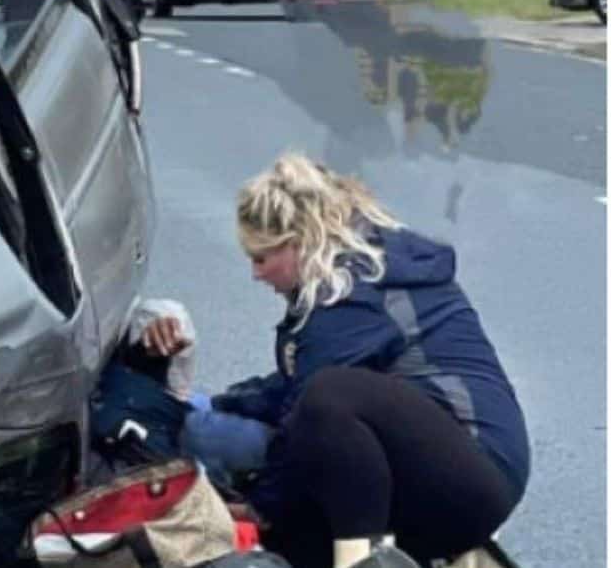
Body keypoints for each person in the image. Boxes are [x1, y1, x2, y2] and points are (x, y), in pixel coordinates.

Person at [140, 153, 530, 568]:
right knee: (292, 537)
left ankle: (361, 560)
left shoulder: (352, 296)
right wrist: (221, 403)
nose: (256, 273)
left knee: (328, 397)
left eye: (262, 258)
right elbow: (292, 385)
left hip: (474, 475)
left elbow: (308, 408)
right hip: (448, 468)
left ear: (300, 242)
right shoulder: (356, 280)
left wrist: (260, 508)